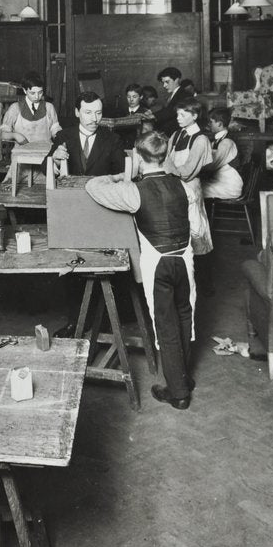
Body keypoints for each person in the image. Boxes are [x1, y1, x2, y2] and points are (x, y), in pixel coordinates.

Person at [85, 131, 195, 410]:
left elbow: (93, 187)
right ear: (165, 154)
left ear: (137, 156)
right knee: (185, 315)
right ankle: (184, 375)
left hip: (158, 263)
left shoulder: (134, 191)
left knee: (165, 324)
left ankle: (178, 391)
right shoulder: (184, 184)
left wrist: (119, 177)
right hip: (186, 259)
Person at [164, 95, 213, 257]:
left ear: (195, 116)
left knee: (195, 227)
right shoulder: (176, 135)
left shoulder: (201, 140)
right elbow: (167, 158)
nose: (178, 119)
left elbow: (186, 172)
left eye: (183, 115)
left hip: (190, 187)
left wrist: (167, 166)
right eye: (177, 115)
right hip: (175, 186)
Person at [47, 91, 126, 177]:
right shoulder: (63, 136)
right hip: (71, 189)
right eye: (88, 112)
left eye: (98, 113)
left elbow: (124, 169)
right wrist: (54, 160)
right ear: (77, 112)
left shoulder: (113, 139)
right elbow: (44, 167)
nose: (94, 119)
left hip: (99, 189)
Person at [0, 72, 61, 145]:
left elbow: (55, 128)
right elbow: (2, 134)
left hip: (45, 149)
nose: (37, 97)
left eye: (40, 92)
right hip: (21, 151)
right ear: (25, 90)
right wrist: (15, 135)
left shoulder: (49, 107)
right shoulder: (15, 108)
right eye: (32, 93)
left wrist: (60, 139)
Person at [200, 107, 244, 200]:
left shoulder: (227, 143)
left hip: (229, 187)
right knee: (191, 187)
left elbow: (212, 165)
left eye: (211, 122)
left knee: (193, 189)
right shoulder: (217, 141)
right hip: (220, 182)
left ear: (220, 124)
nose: (209, 125)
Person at [153, 66, 184, 136]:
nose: (164, 85)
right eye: (163, 82)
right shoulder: (172, 94)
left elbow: (170, 112)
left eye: (167, 82)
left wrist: (152, 116)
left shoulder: (184, 94)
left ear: (176, 80)